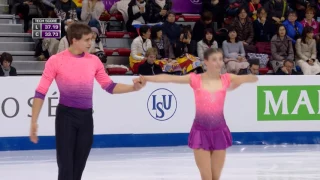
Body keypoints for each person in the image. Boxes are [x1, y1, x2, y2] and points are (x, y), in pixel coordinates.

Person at [29, 23, 146, 180]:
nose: (91, 43)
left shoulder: (94, 61)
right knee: (66, 168)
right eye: (87, 40)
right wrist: (34, 121)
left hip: (86, 118)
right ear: (74, 40)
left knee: (78, 168)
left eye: (91, 39)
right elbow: (41, 91)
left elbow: (109, 86)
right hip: (66, 117)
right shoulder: (56, 61)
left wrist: (133, 88)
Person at [136, 48, 258, 180]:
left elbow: (246, 78)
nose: (219, 63)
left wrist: (249, 78)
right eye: (214, 60)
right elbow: (168, 78)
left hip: (219, 131)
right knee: (207, 178)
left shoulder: (226, 78)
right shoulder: (195, 79)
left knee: (215, 178)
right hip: (200, 132)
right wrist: (146, 78)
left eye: (220, 59)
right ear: (206, 62)